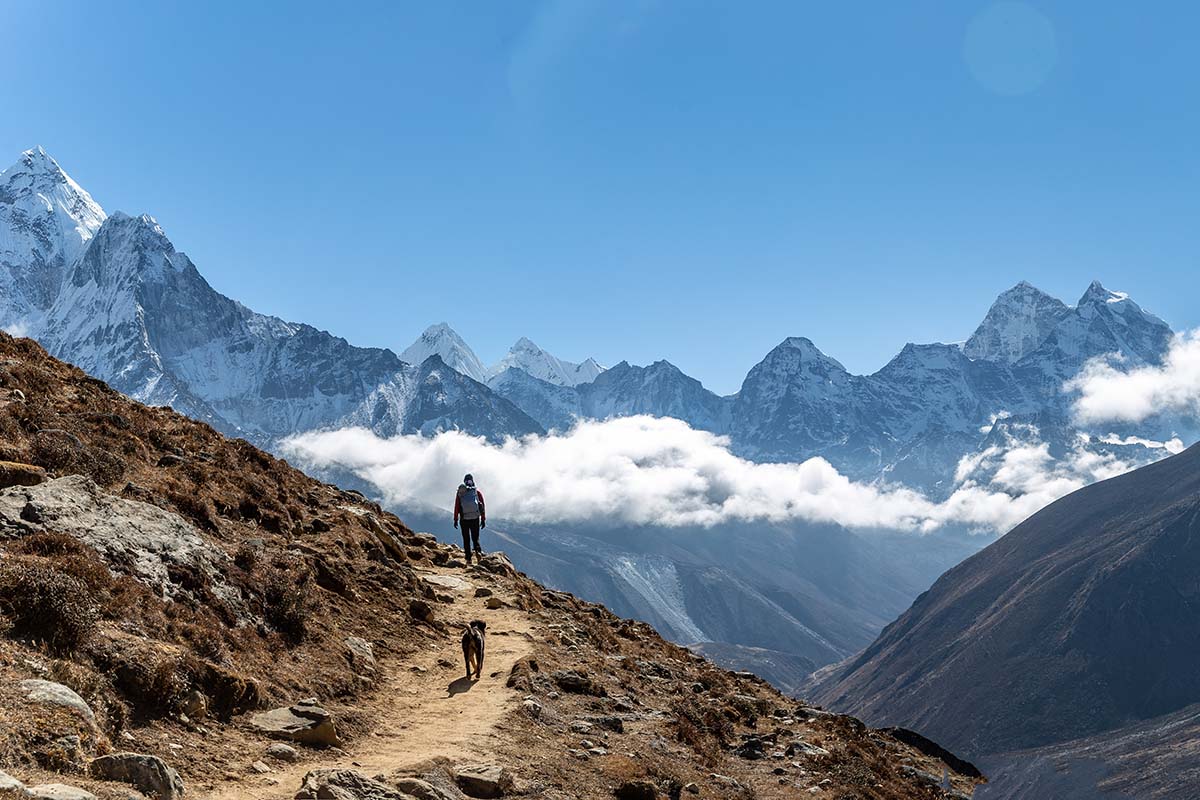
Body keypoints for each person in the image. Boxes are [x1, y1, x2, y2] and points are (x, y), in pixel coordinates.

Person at [453, 473, 486, 564]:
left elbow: (457, 506)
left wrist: (455, 519)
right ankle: (478, 552)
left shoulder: (460, 493)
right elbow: (482, 506)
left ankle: (468, 559)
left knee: (466, 539)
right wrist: (483, 519)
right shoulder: (476, 492)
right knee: (475, 538)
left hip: (464, 519)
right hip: (475, 518)